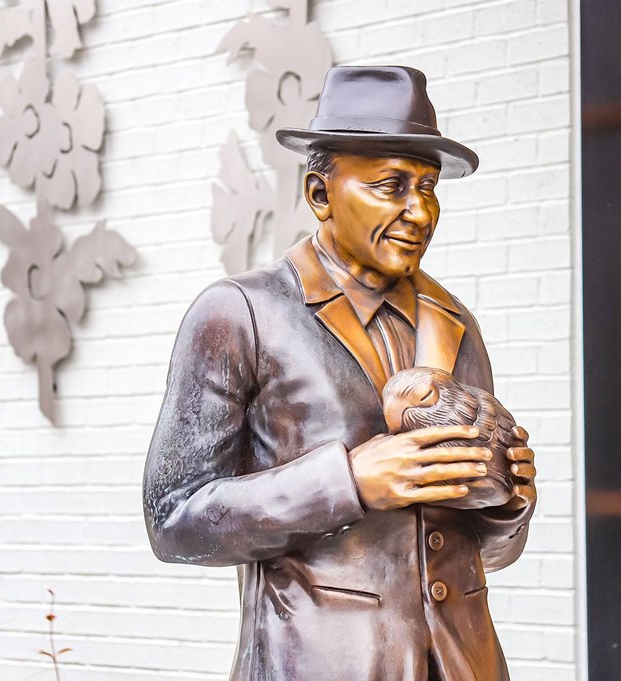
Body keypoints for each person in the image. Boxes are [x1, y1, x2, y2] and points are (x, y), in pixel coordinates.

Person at [143, 65, 537, 681]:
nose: (420, 210)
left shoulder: (454, 322)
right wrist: (349, 481)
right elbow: (175, 522)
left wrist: (505, 500)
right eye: (391, 185)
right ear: (320, 194)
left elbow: (490, 551)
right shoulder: (242, 313)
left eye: (429, 187)